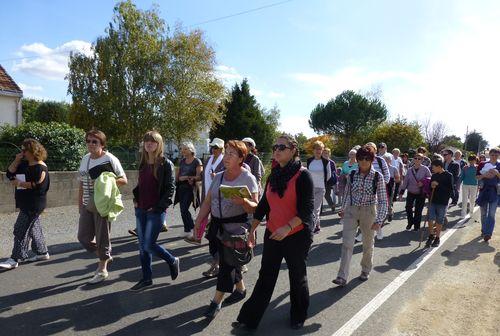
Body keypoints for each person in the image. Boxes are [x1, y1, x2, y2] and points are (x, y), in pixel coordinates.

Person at [233, 134, 314, 331]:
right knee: (266, 275)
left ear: (293, 150)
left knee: (297, 276)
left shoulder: (303, 175)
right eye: (275, 146)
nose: (277, 150)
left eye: (282, 147)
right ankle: (250, 318)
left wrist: (287, 228)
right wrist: (252, 229)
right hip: (273, 233)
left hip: (296, 234)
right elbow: (264, 205)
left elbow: (306, 210)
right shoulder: (273, 175)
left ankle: (298, 315)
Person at [194, 140, 258, 320]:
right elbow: (207, 201)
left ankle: (216, 302)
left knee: (226, 266)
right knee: (226, 259)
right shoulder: (218, 176)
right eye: (226, 153)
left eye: (231, 154)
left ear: (240, 158)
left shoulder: (248, 178)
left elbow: (255, 207)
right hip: (217, 227)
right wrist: (199, 221)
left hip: (236, 229)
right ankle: (241, 289)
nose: (226, 157)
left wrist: (244, 202)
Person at [129, 131, 179, 291]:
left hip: (155, 211)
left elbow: (170, 188)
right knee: (142, 247)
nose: (149, 143)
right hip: (141, 209)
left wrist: (158, 207)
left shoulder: (166, 164)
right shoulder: (143, 163)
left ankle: (172, 260)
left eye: (153, 141)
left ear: (159, 144)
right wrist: (135, 200)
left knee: (149, 245)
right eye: (146, 141)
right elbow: (141, 186)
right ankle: (146, 278)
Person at [332, 146, 388, 286]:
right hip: (351, 211)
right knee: (347, 243)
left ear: (371, 160)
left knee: (368, 244)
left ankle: (365, 269)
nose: (364, 161)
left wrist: (379, 220)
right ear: (357, 159)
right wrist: (343, 209)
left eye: (367, 158)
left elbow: (382, 200)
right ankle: (342, 276)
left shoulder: (377, 177)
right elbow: (347, 193)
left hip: (369, 212)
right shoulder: (352, 174)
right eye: (361, 158)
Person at [77, 130, 127, 284]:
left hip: (103, 202)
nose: (91, 144)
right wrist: (80, 204)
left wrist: (105, 181)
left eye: (95, 142)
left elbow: (123, 180)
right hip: (87, 204)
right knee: (83, 237)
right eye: (88, 141)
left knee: (102, 236)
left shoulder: (110, 158)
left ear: (102, 144)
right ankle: (104, 254)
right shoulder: (85, 159)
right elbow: (81, 183)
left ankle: (102, 268)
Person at [0, 139, 50, 270]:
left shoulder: (41, 166)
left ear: (33, 151)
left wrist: (20, 184)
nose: (22, 152)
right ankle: (42, 252)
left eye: (24, 150)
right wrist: (16, 160)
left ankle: (15, 258)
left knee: (20, 229)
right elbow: (10, 173)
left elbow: (39, 185)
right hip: (24, 201)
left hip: (34, 204)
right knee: (34, 228)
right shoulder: (23, 163)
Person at [361, 142, 390, 240]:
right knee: (366, 212)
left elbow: (387, 175)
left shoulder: (380, 160)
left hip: (378, 190)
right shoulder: (362, 160)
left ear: (375, 150)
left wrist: (381, 184)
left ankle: (376, 230)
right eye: (367, 147)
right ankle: (369, 231)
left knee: (375, 212)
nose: (369, 149)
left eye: (371, 148)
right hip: (365, 190)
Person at [174, 142, 203, 238]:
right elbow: (177, 175)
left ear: (191, 150)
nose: (183, 151)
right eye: (182, 149)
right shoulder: (182, 161)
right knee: (182, 209)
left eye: (185, 149)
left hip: (191, 188)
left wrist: (187, 177)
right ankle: (187, 230)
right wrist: (177, 179)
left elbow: (199, 177)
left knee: (184, 209)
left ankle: (192, 228)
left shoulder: (197, 161)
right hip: (181, 188)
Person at [399, 153, 431, 231]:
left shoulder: (425, 169)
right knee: (408, 208)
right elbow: (405, 181)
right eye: (415, 158)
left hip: (421, 193)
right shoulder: (410, 170)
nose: (417, 160)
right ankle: (410, 223)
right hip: (411, 192)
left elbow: (430, 178)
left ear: (422, 160)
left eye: (419, 159)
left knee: (418, 210)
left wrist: (423, 182)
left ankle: (416, 226)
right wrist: (401, 193)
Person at [425, 159, 453, 248]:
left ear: (439, 167)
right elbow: (430, 188)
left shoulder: (449, 175)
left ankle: (437, 237)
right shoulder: (434, 175)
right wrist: (431, 185)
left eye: (433, 167)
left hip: (443, 202)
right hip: (433, 200)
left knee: (439, 220)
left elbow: (450, 190)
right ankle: (431, 235)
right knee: (430, 218)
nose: (432, 169)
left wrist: (438, 185)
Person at [306, 140, 331, 233]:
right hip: (310, 188)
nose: (318, 151)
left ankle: (311, 229)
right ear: (313, 150)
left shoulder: (325, 162)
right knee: (310, 207)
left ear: (322, 150)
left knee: (315, 208)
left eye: (320, 149)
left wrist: (321, 182)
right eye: (316, 149)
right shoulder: (309, 161)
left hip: (320, 188)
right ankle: (317, 225)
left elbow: (328, 175)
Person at [476, 147, 500, 242]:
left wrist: (497, 173)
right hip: (484, 191)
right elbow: (477, 177)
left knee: (491, 214)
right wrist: (484, 175)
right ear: (489, 155)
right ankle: (484, 230)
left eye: (496, 155)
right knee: (483, 213)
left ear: (498, 155)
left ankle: (488, 233)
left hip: (495, 191)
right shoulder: (482, 164)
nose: (494, 157)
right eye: (492, 155)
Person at [460, 154, 479, 218]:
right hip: (465, 184)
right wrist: (458, 184)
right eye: (470, 160)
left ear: (475, 160)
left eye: (473, 160)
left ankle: (471, 212)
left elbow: (479, 177)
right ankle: (463, 214)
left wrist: (480, 185)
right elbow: (461, 176)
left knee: (472, 200)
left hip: (474, 185)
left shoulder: (478, 168)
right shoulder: (465, 167)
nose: (471, 161)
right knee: (464, 199)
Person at [384, 153, 400, 222]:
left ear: (390, 160)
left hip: (390, 187)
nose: (386, 161)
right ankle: (382, 215)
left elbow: (398, 179)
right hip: (381, 187)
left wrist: (391, 180)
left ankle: (390, 213)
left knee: (389, 202)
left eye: (387, 160)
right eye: (385, 160)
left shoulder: (394, 168)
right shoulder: (380, 169)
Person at [322, 147, 338, 213]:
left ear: (329, 154)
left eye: (327, 153)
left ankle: (332, 205)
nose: (326, 154)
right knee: (319, 195)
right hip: (320, 180)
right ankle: (320, 209)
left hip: (328, 181)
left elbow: (335, 171)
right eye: (324, 153)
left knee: (326, 195)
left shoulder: (331, 162)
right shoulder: (320, 161)